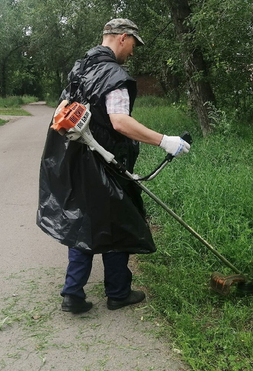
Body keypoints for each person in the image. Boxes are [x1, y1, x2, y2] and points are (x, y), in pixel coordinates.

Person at [37, 18, 190, 314]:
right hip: (106, 163)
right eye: (133, 44)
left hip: (76, 161)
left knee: (84, 219)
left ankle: (72, 293)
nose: (133, 52)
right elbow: (119, 122)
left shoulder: (80, 68)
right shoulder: (114, 74)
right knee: (118, 221)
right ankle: (118, 293)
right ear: (122, 38)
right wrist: (164, 141)